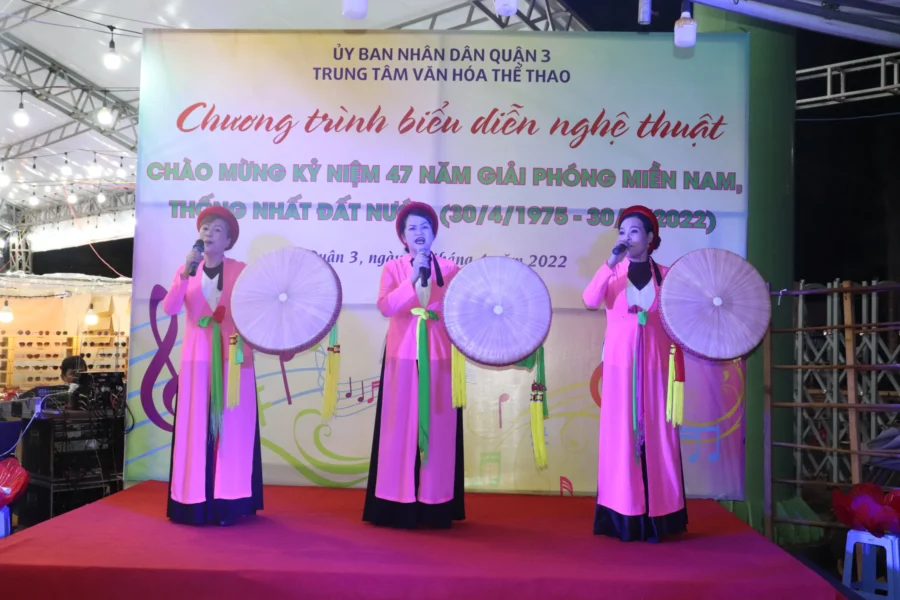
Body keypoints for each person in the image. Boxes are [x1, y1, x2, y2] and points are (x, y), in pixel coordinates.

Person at [582, 205, 687, 542]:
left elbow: (683, 318)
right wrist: (608, 263)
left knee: (659, 434)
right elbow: (589, 300)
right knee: (621, 435)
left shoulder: (667, 275)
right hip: (620, 367)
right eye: (622, 232)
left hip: (657, 367)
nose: (627, 237)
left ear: (650, 238)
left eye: (634, 231)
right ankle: (623, 511)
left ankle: (662, 512)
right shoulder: (612, 273)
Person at [363, 201, 466, 529]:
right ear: (403, 237)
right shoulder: (393, 268)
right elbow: (386, 307)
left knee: (439, 430)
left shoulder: (451, 269)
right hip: (403, 357)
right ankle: (396, 502)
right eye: (412, 228)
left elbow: (460, 311)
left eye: (424, 227)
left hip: (439, 356)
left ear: (433, 233)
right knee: (400, 430)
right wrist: (411, 280)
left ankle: (435, 503)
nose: (419, 233)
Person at [161, 206, 262, 526]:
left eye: (217, 230)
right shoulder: (186, 269)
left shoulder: (241, 270)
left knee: (232, 427)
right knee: (196, 426)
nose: (209, 234)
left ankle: (228, 501)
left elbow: (256, 308)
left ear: (229, 240)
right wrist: (183, 277)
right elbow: (170, 307)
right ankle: (193, 499)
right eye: (205, 228)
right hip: (197, 359)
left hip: (233, 357)